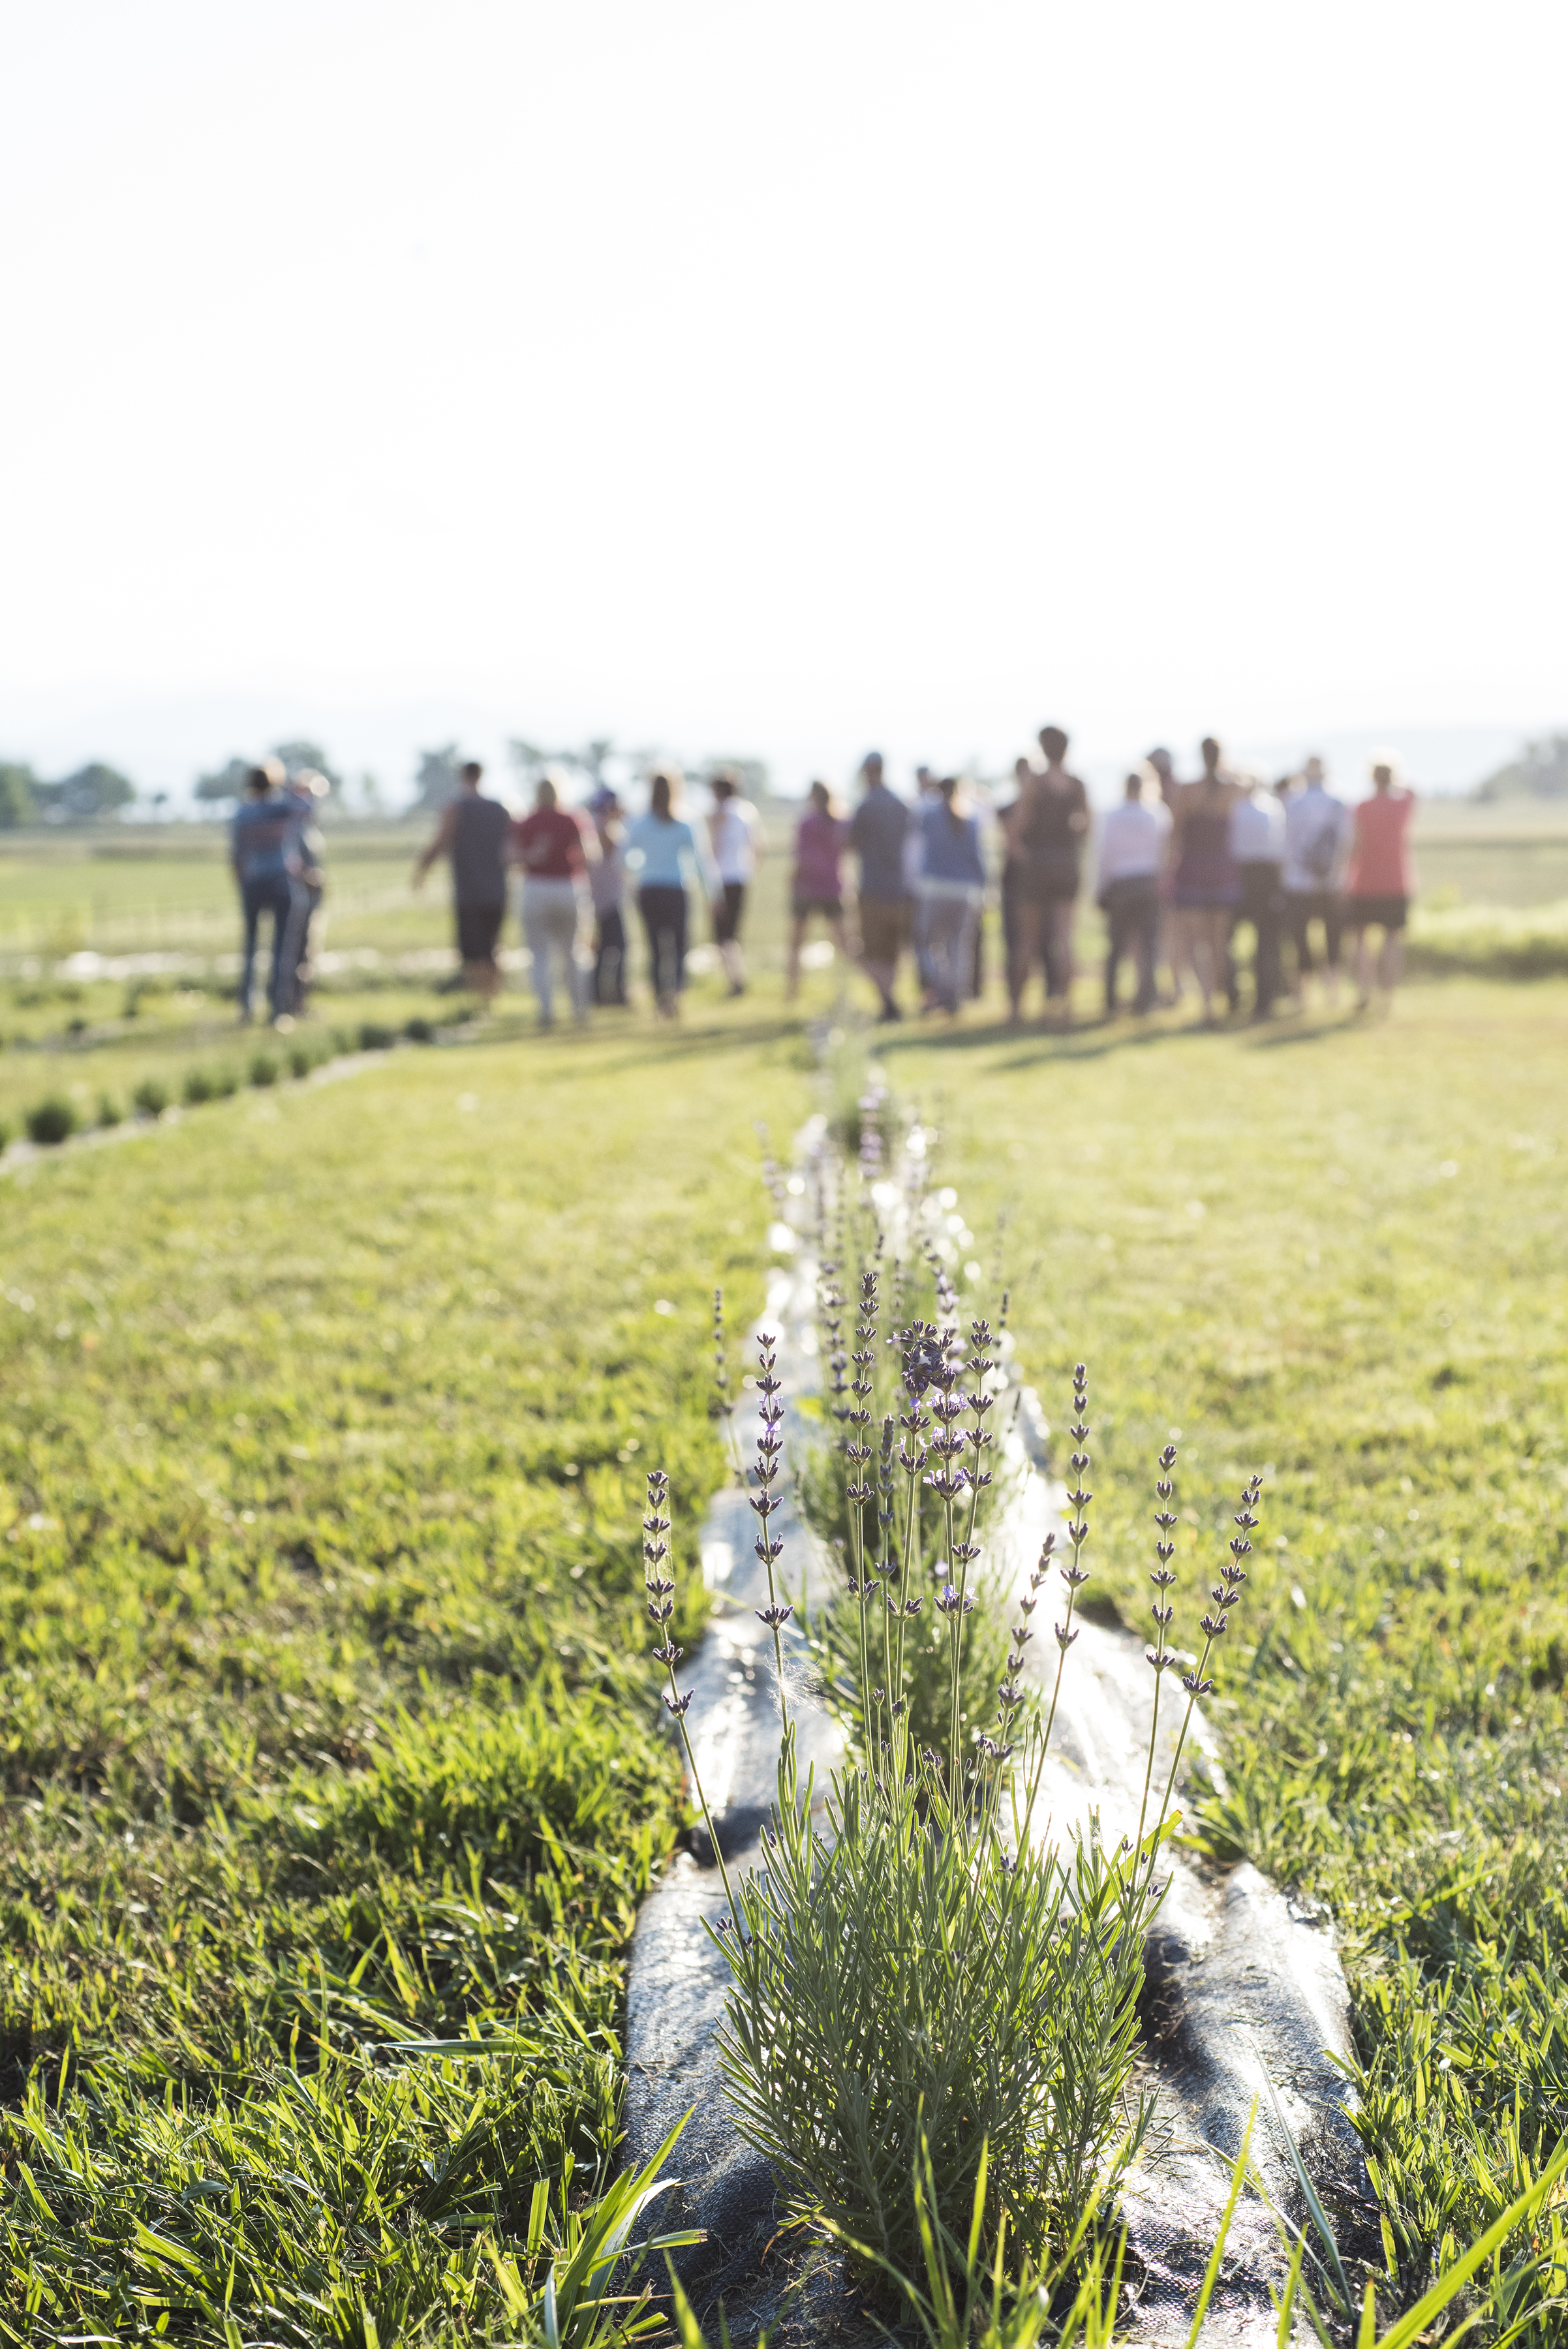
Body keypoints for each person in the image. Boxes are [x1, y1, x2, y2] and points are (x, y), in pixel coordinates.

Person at [1004, 724, 1089, 1024]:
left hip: (1037, 868)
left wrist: (1024, 855)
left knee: (1027, 941)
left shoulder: (1035, 784)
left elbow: (1015, 829)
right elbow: (1086, 827)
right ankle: (1065, 1009)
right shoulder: (1077, 784)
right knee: (1064, 940)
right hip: (1066, 866)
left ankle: (1017, 1010)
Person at [412, 759, 512, 1004]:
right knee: (492, 946)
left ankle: (481, 1003)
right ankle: (492, 999)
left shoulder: (456, 808)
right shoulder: (500, 809)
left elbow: (440, 843)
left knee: (473, 951)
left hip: (469, 892)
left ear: (462, 777)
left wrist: (421, 873)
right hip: (497, 890)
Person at [1168, 738, 1242, 1022]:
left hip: (1193, 870)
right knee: (1219, 942)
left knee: (1198, 942)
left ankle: (1207, 1004)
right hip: (1223, 869)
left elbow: (1175, 834)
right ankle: (1216, 1002)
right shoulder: (1233, 788)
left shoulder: (1187, 791)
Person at [625, 768, 708, 1017]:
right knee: (679, 945)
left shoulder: (639, 822)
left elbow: (624, 857)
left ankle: (660, 997)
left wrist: (641, 868)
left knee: (655, 947)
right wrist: (712, 894)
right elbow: (701, 861)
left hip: (649, 889)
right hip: (676, 889)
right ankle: (675, 996)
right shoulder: (686, 822)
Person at [514, 773, 595, 1027]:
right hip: (567, 887)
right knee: (573, 952)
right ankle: (579, 1008)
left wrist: (533, 855)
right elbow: (591, 855)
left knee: (539, 954)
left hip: (535, 888)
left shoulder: (526, 822)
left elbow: (511, 856)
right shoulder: (573, 819)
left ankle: (546, 1011)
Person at [231, 760, 307, 1025]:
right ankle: (278, 1010)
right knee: (282, 950)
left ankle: (247, 1008)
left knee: (251, 948)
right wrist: (289, 786)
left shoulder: (243, 813)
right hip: (281, 883)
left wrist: (242, 883)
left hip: (252, 882)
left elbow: (236, 855)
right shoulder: (282, 808)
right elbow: (308, 807)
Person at [1096, 765, 1171, 1015]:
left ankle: (1110, 999)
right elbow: (1166, 853)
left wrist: (1101, 886)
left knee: (1116, 945)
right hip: (1148, 883)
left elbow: (1105, 854)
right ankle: (1146, 999)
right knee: (1149, 945)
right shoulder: (1157, 814)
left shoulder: (1113, 816)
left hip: (1120, 884)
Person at [1344, 756, 1417, 1009]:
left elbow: (1356, 845)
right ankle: (1388, 997)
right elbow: (1412, 791)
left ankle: (1364, 992)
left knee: (1361, 941)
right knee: (1392, 941)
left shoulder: (1362, 806)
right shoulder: (1403, 805)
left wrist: (1346, 877)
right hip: (1396, 881)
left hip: (1364, 881)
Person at [847, 752, 911, 1021]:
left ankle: (889, 1002)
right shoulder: (901, 804)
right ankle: (889, 1002)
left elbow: (851, 842)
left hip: (873, 889)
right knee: (892, 951)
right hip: (900, 889)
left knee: (873, 951)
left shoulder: (866, 806)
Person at [1282, 755, 1350, 1006]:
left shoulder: (1293, 801)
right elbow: (1345, 841)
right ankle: (1330, 993)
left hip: (1299, 881)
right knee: (1332, 938)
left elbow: (1286, 842)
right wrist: (1337, 873)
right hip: (1328, 882)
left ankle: (1303, 995)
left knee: (1302, 939)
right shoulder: (1337, 801)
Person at [915, 777, 985, 1014]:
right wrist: (984, 888)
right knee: (958, 944)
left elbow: (916, 849)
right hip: (965, 891)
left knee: (928, 943)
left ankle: (940, 987)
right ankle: (954, 992)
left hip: (935, 888)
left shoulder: (928, 816)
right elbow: (978, 858)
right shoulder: (972, 818)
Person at [1228, 772, 1287, 1016]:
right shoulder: (1275, 808)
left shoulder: (1237, 810)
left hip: (1241, 876)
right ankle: (1266, 999)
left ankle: (1233, 993)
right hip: (1269, 878)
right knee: (1267, 942)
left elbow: (1231, 846)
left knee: (1227, 938)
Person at [788, 780, 850, 1001]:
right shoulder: (840, 822)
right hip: (832, 887)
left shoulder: (807, 823)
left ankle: (791, 992)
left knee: (796, 944)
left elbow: (801, 858)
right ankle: (848, 987)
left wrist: (791, 882)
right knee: (845, 943)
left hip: (806, 888)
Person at [706, 772, 764, 996]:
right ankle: (738, 977)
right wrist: (750, 869)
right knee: (733, 930)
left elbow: (714, 846)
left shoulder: (720, 813)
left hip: (722, 878)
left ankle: (735, 980)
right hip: (741, 876)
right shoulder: (748, 810)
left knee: (723, 933)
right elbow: (759, 845)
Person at [283, 766, 330, 1016]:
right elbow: (291, 860)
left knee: (308, 952)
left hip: (312, 900)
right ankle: (293, 1004)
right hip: (300, 899)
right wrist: (310, 877)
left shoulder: (309, 828)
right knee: (297, 952)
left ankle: (301, 1004)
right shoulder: (293, 826)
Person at [587, 786, 629, 1006]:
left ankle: (598, 992)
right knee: (619, 945)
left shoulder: (594, 824)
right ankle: (615, 992)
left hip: (600, 895)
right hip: (607, 897)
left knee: (604, 946)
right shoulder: (603, 825)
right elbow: (615, 853)